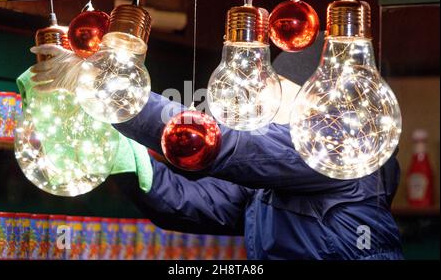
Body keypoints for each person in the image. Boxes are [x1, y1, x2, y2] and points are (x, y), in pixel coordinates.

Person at [28, 32, 404, 260]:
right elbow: (197, 206)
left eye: (284, 99)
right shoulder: (277, 171)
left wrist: (105, 89)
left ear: (321, 103)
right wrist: (124, 158)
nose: (269, 108)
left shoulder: (338, 149)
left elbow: (227, 145)